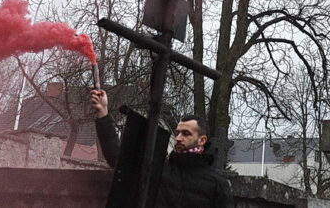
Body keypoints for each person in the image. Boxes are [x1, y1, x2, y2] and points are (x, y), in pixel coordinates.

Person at [90, 88, 234, 207]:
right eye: (177, 133)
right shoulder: (159, 169)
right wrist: (103, 113)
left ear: (202, 140)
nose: (178, 138)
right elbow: (119, 158)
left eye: (186, 133)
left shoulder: (217, 184)